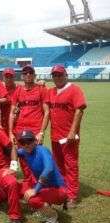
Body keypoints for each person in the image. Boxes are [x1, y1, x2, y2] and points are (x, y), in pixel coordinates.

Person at [47, 65, 87, 208]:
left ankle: (72, 196)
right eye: (54, 75)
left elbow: (79, 111)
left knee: (71, 165)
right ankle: (63, 190)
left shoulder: (74, 90)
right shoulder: (51, 91)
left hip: (69, 137)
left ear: (66, 75)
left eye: (59, 75)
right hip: (55, 136)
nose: (57, 77)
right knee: (58, 165)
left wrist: (72, 132)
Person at [12, 130, 67, 223]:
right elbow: (13, 150)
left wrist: (35, 190)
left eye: (29, 141)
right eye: (23, 142)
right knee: (17, 187)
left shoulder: (42, 150)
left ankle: (52, 217)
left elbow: (49, 169)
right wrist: (13, 165)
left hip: (59, 190)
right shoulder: (24, 151)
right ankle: (44, 208)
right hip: (45, 187)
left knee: (33, 199)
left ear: (35, 141)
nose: (26, 145)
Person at [8, 65, 49, 185]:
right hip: (20, 130)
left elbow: (46, 112)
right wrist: (10, 132)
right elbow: (12, 113)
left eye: (30, 73)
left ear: (34, 75)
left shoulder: (41, 89)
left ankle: (39, 185)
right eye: (25, 73)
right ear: (21, 76)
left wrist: (41, 132)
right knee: (23, 160)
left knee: (36, 159)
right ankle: (29, 184)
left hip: (35, 131)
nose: (28, 75)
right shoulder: (18, 91)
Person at [1, 68, 18, 132]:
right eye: (6, 77)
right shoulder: (0, 88)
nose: (8, 79)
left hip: (17, 122)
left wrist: (39, 83)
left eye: (11, 77)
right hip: (3, 122)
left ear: (14, 78)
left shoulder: (19, 88)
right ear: (3, 78)